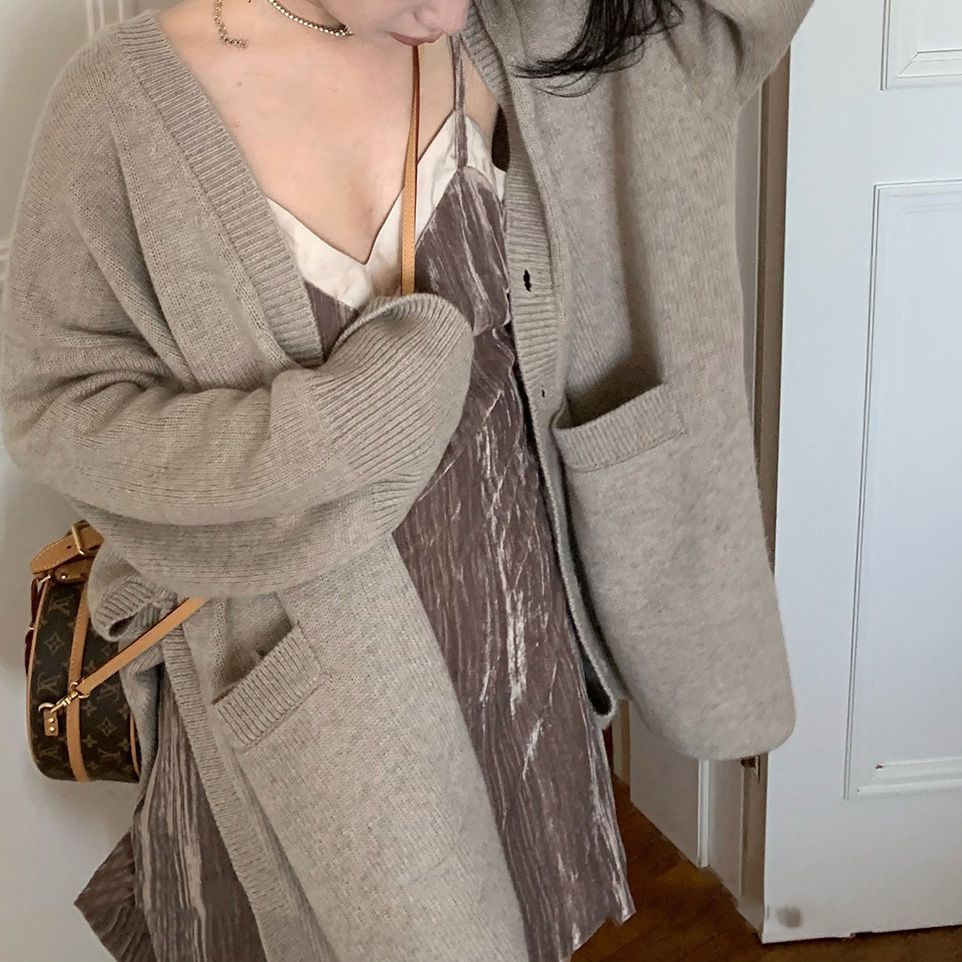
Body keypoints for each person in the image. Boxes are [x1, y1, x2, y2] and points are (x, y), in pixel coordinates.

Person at [0, 1, 813, 960]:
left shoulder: (525, 35)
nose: (448, 10)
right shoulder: (121, 108)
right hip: (305, 710)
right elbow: (52, 404)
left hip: (517, 659)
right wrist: (333, 435)